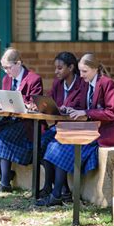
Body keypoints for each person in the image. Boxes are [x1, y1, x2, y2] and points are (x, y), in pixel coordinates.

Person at [36, 52, 114, 206]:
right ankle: (57, 192)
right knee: (52, 144)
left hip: (104, 133)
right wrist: (68, 109)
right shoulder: (86, 84)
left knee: (61, 146)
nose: (81, 75)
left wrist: (85, 112)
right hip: (89, 128)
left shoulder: (107, 83)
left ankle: (57, 195)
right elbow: (81, 107)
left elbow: (111, 113)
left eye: (84, 71)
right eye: (80, 71)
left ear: (95, 69)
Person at [0, 47, 43, 194]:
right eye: (4, 68)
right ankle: (5, 175)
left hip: (26, 123)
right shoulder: (6, 79)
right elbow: (7, 100)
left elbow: (35, 104)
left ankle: (5, 183)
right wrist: (1, 104)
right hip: (10, 119)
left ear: (18, 63)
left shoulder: (34, 79)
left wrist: (25, 104)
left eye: (8, 67)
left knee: (0, 140)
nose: (6, 71)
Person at [38, 51, 87, 201]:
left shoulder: (82, 85)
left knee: (55, 146)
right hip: (60, 126)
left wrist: (66, 108)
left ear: (71, 67)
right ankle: (51, 187)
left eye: (60, 68)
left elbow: (83, 108)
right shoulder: (57, 83)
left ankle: (58, 192)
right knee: (41, 142)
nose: (56, 71)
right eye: (55, 68)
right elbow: (50, 100)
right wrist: (39, 105)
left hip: (76, 128)